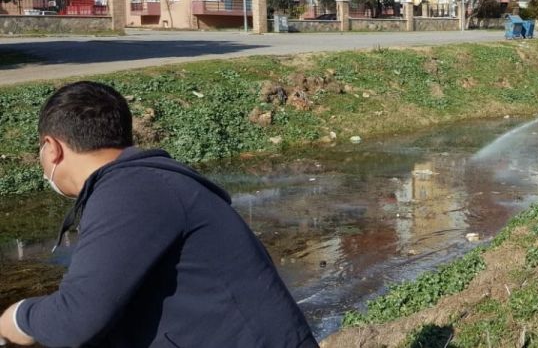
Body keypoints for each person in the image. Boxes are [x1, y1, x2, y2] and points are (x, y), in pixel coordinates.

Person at [0, 82, 316, 347]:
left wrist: (17, 318)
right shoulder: (140, 183)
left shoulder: (130, 192)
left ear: (52, 147)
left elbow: (77, 317)